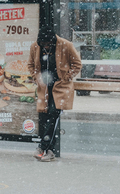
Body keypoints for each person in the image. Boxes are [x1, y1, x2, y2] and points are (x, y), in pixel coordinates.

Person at [27, 25, 82, 162]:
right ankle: (49, 151)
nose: (45, 48)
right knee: (44, 117)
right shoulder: (35, 47)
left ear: (53, 41)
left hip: (60, 88)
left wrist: (66, 77)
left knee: (53, 116)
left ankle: (42, 147)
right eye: (43, 45)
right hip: (44, 88)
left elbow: (77, 64)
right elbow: (30, 65)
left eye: (48, 45)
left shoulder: (66, 45)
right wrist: (37, 77)